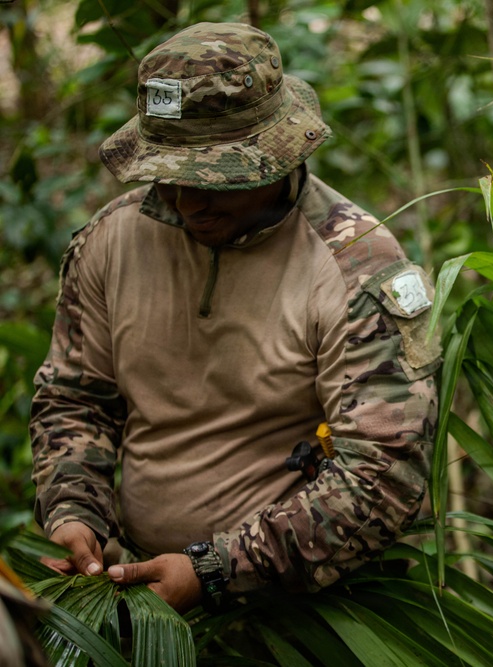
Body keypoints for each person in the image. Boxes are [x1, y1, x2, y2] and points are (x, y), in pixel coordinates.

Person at [30, 22, 439, 614]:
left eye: (213, 181)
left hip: (304, 611)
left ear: (280, 156)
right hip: (131, 580)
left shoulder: (357, 266)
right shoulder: (113, 240)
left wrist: (217, 570)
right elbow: (76, 396)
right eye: (170, 176)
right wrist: (75, 511)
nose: (188, 201)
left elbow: (381, 476)